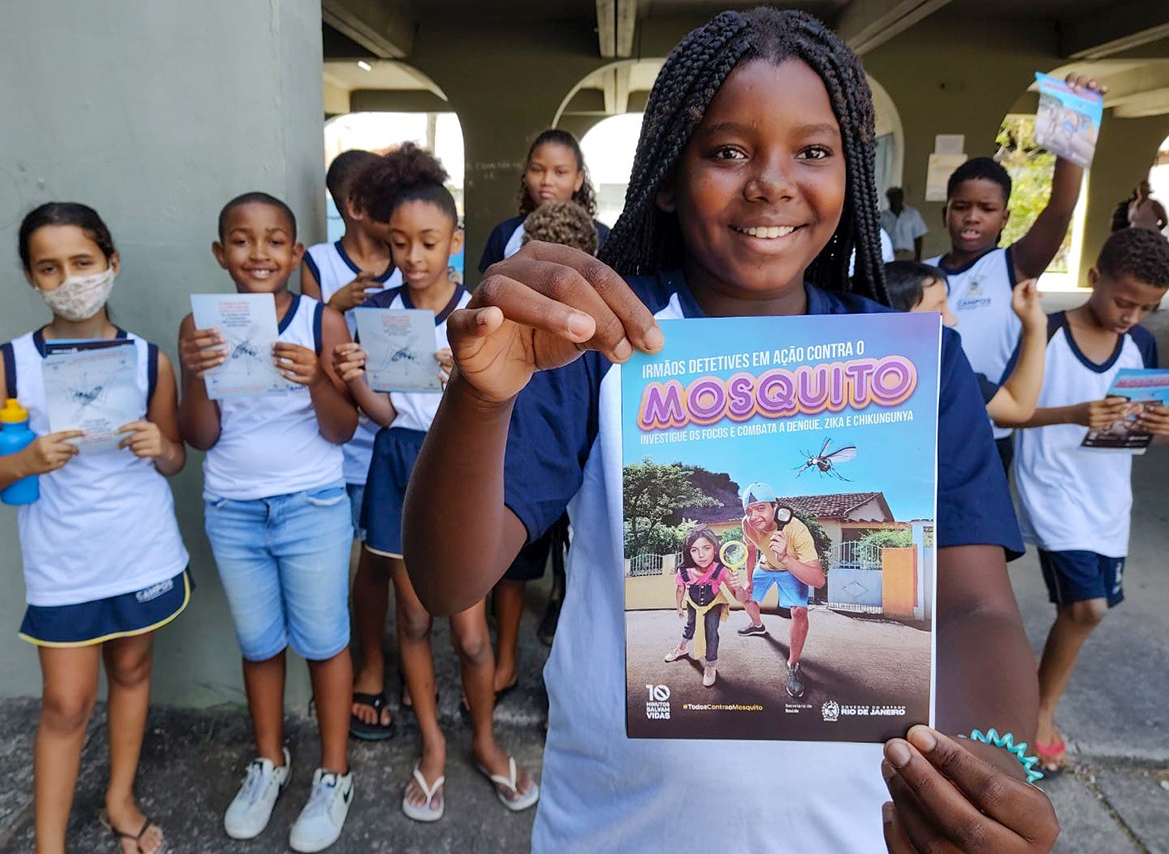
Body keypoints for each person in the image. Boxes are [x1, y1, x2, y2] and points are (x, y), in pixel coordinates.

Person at [403, 9, 1060, 853]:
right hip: (618, 829)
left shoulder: (919, 366)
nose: (772, 182)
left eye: (813, 152)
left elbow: (974, 609)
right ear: (669, 177)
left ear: (849, 170)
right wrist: (481, 401)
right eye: (727, 150)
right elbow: (447, 576)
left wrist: (986, 772)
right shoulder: (595, 344)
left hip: (858, 833)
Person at [0, 202, 190, 854]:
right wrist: (23, 461)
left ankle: (120, 801)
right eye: (49, 267)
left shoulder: (149, 361)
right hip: (62, 560)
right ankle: (48, 845)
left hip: (141, 549)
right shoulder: (12, 364)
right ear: (31, 277)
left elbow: (175, 458)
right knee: (64, 704)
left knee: (135, 673)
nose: (69, 279)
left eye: (82, 262)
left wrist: (159, 446)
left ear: (111, 264)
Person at [331, 143, 539, 822]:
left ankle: (483, 739)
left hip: (459, 461)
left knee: (471, 634)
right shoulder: (380, 312)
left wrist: (468, 385)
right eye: (399, 243)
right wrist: (354, 374)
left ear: (454, 240)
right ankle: (432, 748)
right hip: (396, 460)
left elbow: (512, 396)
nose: (413, 257)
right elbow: (387, 414)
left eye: (427, 242)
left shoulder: (482, 308)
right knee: (413, 620)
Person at [178, 192, 359, 852]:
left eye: (275, 240)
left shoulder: (323, 322)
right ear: (221, 253)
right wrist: (197, 375)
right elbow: (199, 436)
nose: (260, 253)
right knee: (259, 642)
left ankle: (334, 772)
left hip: (310, 504)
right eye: (243, 240)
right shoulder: (199, 328)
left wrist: (316, 378)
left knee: (324, 640)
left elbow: (342, 430)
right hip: (231, 507)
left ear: (296, 253)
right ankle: (269, 762)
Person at [1013, 227, 1169, 776]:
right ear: (1094, 278)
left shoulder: (1142, 345)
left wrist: (1156, 425)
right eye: (1124, 300)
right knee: (1086, 608)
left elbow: (1135, 427)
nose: (1131, 316)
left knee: (1083, 610)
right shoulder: (1046, 334)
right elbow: (1008, 409)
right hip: (1052, 490)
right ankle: (1037, 716)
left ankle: (1033, 704)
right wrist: (1072, 413)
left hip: (1108, 499)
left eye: (1147, 307)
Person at [924, 83, 1103, 468]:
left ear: (1004, 218)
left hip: (987, 436)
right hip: (926, 432)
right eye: (961, 206)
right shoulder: (924, 275)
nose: (972, 216)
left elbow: (1060, 208)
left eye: (986, 208)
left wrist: (1077, 116)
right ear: (946, 214)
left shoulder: (1012, 266)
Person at [301, 149, 406, 742]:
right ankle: (358, 664)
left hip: (391, 432)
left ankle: (383, 661)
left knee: (384, 559)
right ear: (354, 206)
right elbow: (304, 331)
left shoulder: (407, 260)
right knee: (341, 560)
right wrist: (332, 309)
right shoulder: (319, 262)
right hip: (340, 436)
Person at [488, 200, 597, 705]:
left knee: (569, 575)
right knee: (515, 569)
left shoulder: (601, 342)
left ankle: (546, 681)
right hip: (523, 469)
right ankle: (507, 660)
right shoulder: (506, 324)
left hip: (568, 481)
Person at [885, 261, 1047, 427]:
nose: (953, 320)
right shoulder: (939, 372)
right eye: (939, 312)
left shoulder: (945, 371)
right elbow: (1018, 407)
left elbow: (1016, 408)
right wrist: (1035, 328)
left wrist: (1035, 327)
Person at [731, 483, 823, 699]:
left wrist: (784, 557)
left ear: (776, 507)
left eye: (761, 508)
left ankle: (793, 664)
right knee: (747, 598)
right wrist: (749, 578)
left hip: (790, 567)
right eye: (749, 510)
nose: (754, 516)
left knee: (799, 611)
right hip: (765, 567)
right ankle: (758, 626)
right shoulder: (747, 524)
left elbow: (818, 580)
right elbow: (752, 549)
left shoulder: (796, 529)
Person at [478, 129, 609, 270]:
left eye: (560, 172)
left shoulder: (601, 237)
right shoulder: (505, 234)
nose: (547, 181)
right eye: (537, 169)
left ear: (578, 179)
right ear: (525, 174)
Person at [664, 525, 744, 687]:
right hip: (693, 603)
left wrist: (738, 587)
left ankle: (710, 665)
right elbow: (680, 590)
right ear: (689, 552)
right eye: (694, 550)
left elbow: (741, 598)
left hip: (714, 602)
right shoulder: (684, 572)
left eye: (706, 548)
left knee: (711, 630)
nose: (701, 555)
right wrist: (679, 607)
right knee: (690, 625)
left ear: (715, 549)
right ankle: (682, 648)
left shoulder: (721, 570)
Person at [880, 186, 927, 259]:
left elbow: (918, 237)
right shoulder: (883, 216)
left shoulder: (912, 214)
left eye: (897, 197)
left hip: (907, 254)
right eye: (892, 197)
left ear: (901, 198)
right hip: (890, 254)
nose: (895, 200)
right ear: (888, 199)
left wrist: (918, 257)